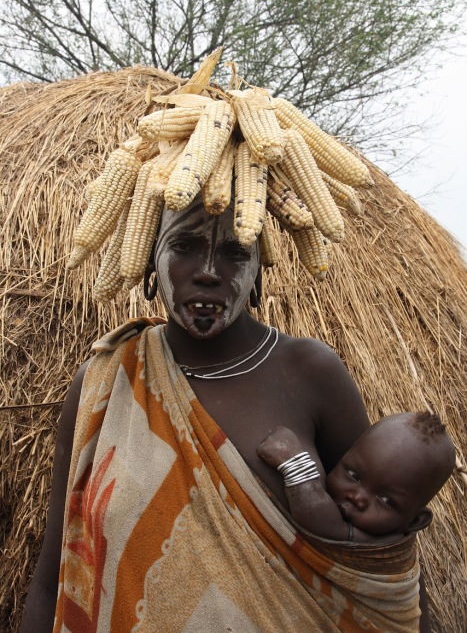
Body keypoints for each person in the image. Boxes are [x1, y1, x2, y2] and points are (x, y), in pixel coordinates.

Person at [21, 198, 432, 633]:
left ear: (257, 270)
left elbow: (385, 565)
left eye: (235, 252)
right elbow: (55, 575)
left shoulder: (310, 375)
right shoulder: (104, 384)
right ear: (147, 260)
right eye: (184, 245)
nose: (209, 272)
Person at [257, 413, 455, 544]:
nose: (357, 498)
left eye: (385, 500)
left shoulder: (383, 548)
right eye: (353, 475)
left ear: (414, 522)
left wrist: (294, 463)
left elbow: (324, 526)